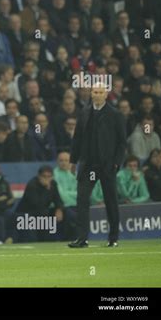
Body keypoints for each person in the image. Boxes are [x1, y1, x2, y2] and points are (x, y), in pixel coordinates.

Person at [69, 84, 127, 248]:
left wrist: (116, 162)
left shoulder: (115, 114)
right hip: (88, 164)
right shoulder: (84, 112)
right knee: (82, 199)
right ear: (91, 93)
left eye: (101, 92)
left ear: (106, 94)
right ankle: (82, 239)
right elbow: (77, 138)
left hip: (107, 165)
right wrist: (73, 161)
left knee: (111, 201)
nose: (97, 95)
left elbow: (122, 143)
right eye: (95, 92)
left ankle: (113, 238)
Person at [16, 165, 64, 242]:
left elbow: (58, 199)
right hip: (27, 215)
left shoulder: (53, 184)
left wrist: (59, 209)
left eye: (49, 176)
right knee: (33, 239)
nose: (47, 179)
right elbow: (37, 204)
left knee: (65, 213)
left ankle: (66, 239)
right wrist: (46, 189)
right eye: (44, 176)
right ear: (39, 176)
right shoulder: (32, 185)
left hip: (42, 214)